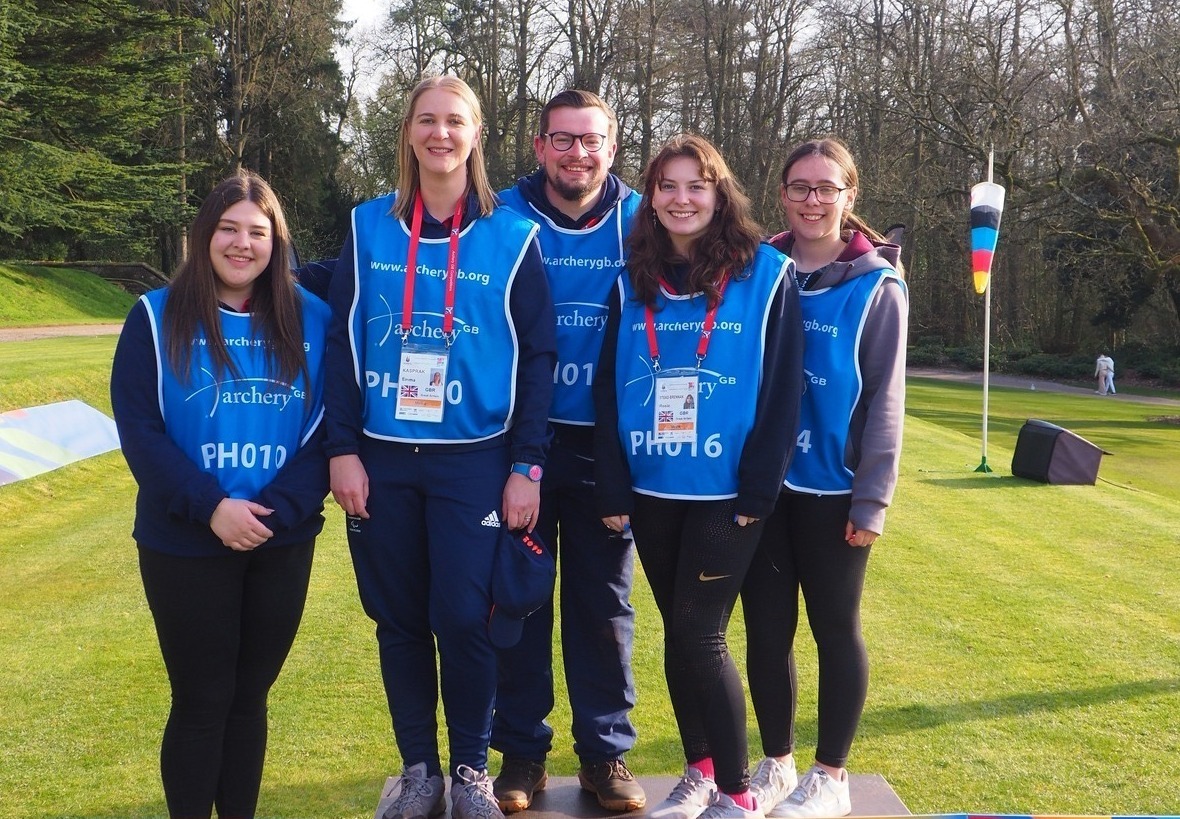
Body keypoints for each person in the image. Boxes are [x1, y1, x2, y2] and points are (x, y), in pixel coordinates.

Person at [324, 75, 556, 819]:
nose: (441, 133)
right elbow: (340, 344)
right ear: (408, 132)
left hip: (474, 457)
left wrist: (526, 464)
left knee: (465, 616)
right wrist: (341, 447)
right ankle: (419, 768)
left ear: (476, 133)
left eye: (455, 120)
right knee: (398, 616)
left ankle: (469, 770)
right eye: (427, 120)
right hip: (383, 456)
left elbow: (539, 359)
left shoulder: (513, 235)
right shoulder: (367, 227)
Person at [594, 134, 804, 819]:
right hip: (652, 490)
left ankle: (738, 793)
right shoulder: (632, 281)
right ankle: (699, 772)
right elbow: (605, 391)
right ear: (650, 199)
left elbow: (781, 393)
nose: (681, 199)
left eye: (696, 186)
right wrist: (613, 486)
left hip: (726, 495)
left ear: (719, 196)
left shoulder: (766, 274)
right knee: (676, 634)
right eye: (667, 187)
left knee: (699, 632)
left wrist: (759, 490)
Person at [110, 171, 331, 819]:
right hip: (184, 540)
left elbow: (328, 431)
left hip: (279, 538)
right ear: (204, 234)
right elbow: (141, 433)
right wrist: (212, 506)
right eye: (228, 228)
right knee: (202, 698)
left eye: (257, 232)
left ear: (277, 242)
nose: (242, 244)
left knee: (249, 698)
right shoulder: (153, 317)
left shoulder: (313, 318)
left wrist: (276, 510)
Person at [740, 137, 908, 818]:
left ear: (849, 196)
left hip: (834, 491)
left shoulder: (878, 285)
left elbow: (887, 401)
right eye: (800, 187)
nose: (813, 199)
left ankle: (830, 776)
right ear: (782, 194)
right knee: (765, 630)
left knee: (835, 628)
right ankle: (777, 763)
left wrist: (873, 499)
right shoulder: (757, 269)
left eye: (826, 187)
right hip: (763, 488)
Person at [490, 89, 645, 814]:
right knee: (516, 601)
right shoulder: (502, 214)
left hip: (608, 446)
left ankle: (604, 755)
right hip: (516, 440)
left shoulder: (645, 218)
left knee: (604, 604)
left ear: (612, 147)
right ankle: (520, 752)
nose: (577, 153)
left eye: (591, 141)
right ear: (538, 145)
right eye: (563, 140)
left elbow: (728, 266)